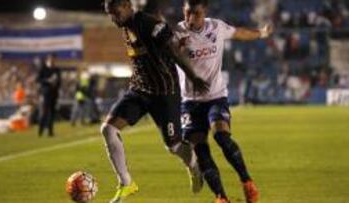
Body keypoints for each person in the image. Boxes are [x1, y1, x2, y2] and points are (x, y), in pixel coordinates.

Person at [101, 0, 209, 202]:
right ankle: (126, 183)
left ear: (126, 6)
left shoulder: (149, 24)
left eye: (115, 13)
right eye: (109, 14)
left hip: (164, 92)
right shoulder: (126, 26)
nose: (113, 18)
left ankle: (194, 164)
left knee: (174, 146)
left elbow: (174, 51)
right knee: (108, 129)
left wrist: (194, 78)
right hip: (139, 90)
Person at [175, 0, 273, 202]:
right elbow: (164, 55)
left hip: (215, 97)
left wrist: (262, 33)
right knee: (201, 151)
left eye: (196, 14)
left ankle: (247, 182)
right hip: (190, 103)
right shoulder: (176, 33)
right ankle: (221, 197)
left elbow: (239, 33)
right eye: (187, 13)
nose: (191, 18)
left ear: (205, 13)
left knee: (222, 137)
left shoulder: (216, 27)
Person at [36, 54, 61, 137]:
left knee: (52, 113)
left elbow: (60, 81)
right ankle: (40, 131)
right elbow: (38, 79)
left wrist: (56, 83)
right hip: (46, 93)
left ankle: (50, 131)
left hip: (54, 94)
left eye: (53, 59)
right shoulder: (43, 68)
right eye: (51, 59)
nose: (52, 60)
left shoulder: (56, 69)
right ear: (48, 59)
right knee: (44, 112)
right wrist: (48, 81)